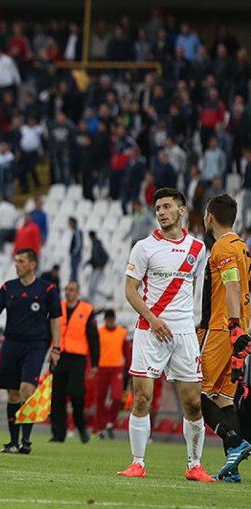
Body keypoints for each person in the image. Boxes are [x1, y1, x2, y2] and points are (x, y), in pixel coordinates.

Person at [119, 187, 214, 482]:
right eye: (158, 207)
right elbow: (130, 290)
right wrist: (152, 319)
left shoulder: (198, 249)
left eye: (167, 207)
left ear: (182, 210)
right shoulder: (144, 247)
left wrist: (190, 322)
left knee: (194, 403)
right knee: (141, 398)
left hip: (184, 333)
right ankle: (137, 462)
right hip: (150, 331)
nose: (161, 212)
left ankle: (194, 465)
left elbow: (194, 289)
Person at [0, 248, 61, 455]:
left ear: (32, 264)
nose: (17, 264)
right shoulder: (8, 288)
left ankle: (26, 440)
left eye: (21, 261)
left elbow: (56, 320)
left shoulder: (48, 289)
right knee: (13, 393)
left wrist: (56, 348)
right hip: (11, 344)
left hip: (35, 345)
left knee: (27, 389)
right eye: (16, 261)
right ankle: (13, 442)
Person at [198, 194, 251, 482]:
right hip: (238, 330)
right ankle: (232, 471)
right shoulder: (243, 247)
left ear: (209, 217)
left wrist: (232, 326)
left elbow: (231, 287)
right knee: (223, 399)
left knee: (196, 392)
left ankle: (234, 443)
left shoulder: (222, 248)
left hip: (221, 329)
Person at [50, 281, 99, 443]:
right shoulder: (58, 308)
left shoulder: (86, 310)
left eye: (71, 290)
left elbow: (93, 339)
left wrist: (94, 364)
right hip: (60, 355)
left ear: (78, 292)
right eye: (66, 290)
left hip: (78, 358)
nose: (68, 292)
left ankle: (81, 427)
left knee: (77, 394)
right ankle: (58, 433)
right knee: (57, 397)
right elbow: (49, 331)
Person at [93, 309, 128, 439]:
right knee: (100, 399)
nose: (109, 322)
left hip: (116, 368)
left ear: (114, 319)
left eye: (111, 320)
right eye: (107, 320)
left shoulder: (121, 332)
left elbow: (126, 352)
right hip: (102, 368)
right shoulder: (99, 332)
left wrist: (128, 369)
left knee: (117, 398)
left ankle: (109, 421)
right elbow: (94, 350)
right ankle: (101, 427)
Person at [86, 231, 110, 301]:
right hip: (95, 268)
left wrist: (101, 265)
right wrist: (87, 263)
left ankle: (106, 296)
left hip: (98, 268)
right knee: (92, 287)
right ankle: (106, 297)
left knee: (93, 287)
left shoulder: (97, 245)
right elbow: (93, 258)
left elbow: (106, 256)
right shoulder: (94, 245)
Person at [69, 217, 83, 282]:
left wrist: (74, 252)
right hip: (75, 255)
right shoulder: (74, 232)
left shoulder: (77, 232)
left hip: (76, 256)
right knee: (73, 271)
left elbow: (78, 244)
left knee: (74, 271)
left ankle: (74, 285)